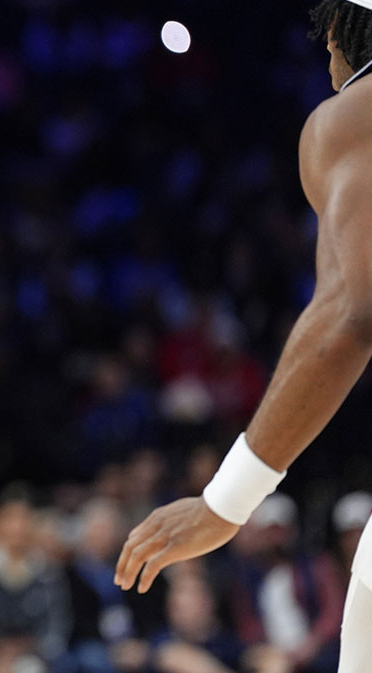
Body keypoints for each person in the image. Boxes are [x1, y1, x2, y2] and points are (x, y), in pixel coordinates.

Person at [114, 2, 372, 671]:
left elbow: (349, 310)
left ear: (346, 32)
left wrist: (225, 501)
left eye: (326, 36)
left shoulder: (354, 114)